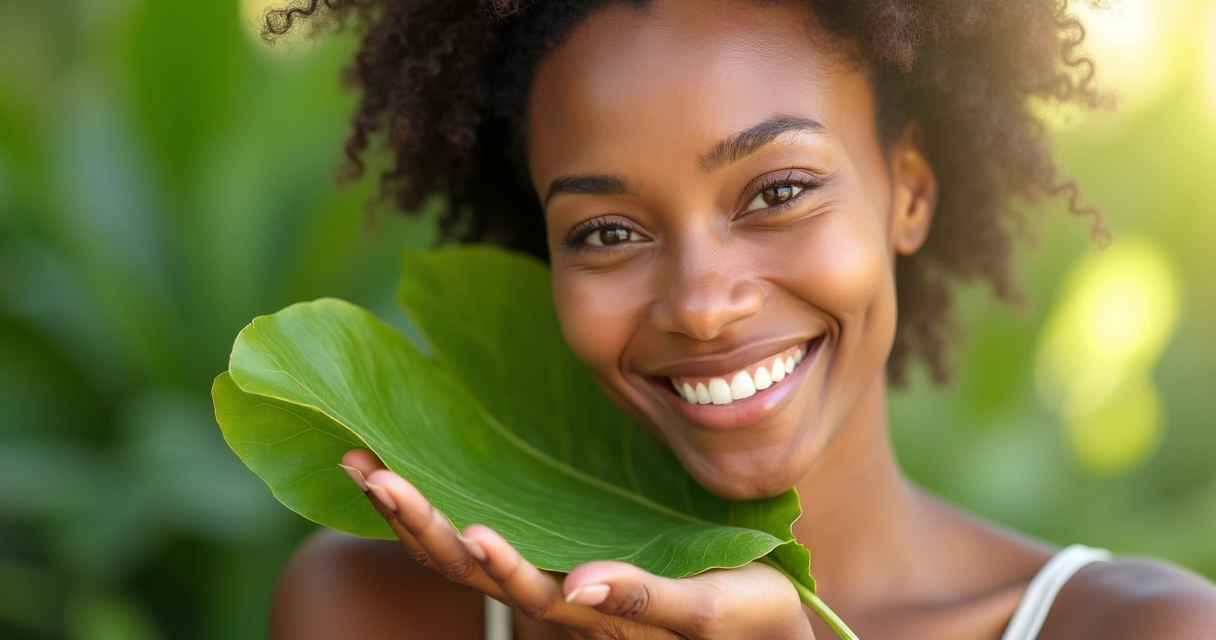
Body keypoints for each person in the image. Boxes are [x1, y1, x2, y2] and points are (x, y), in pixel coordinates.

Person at [264, 0, 1216, 637]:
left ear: (910, 191)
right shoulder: (376, 610)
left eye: (779, 192)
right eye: (606, 232)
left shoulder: (1138, 630)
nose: (702, 305)